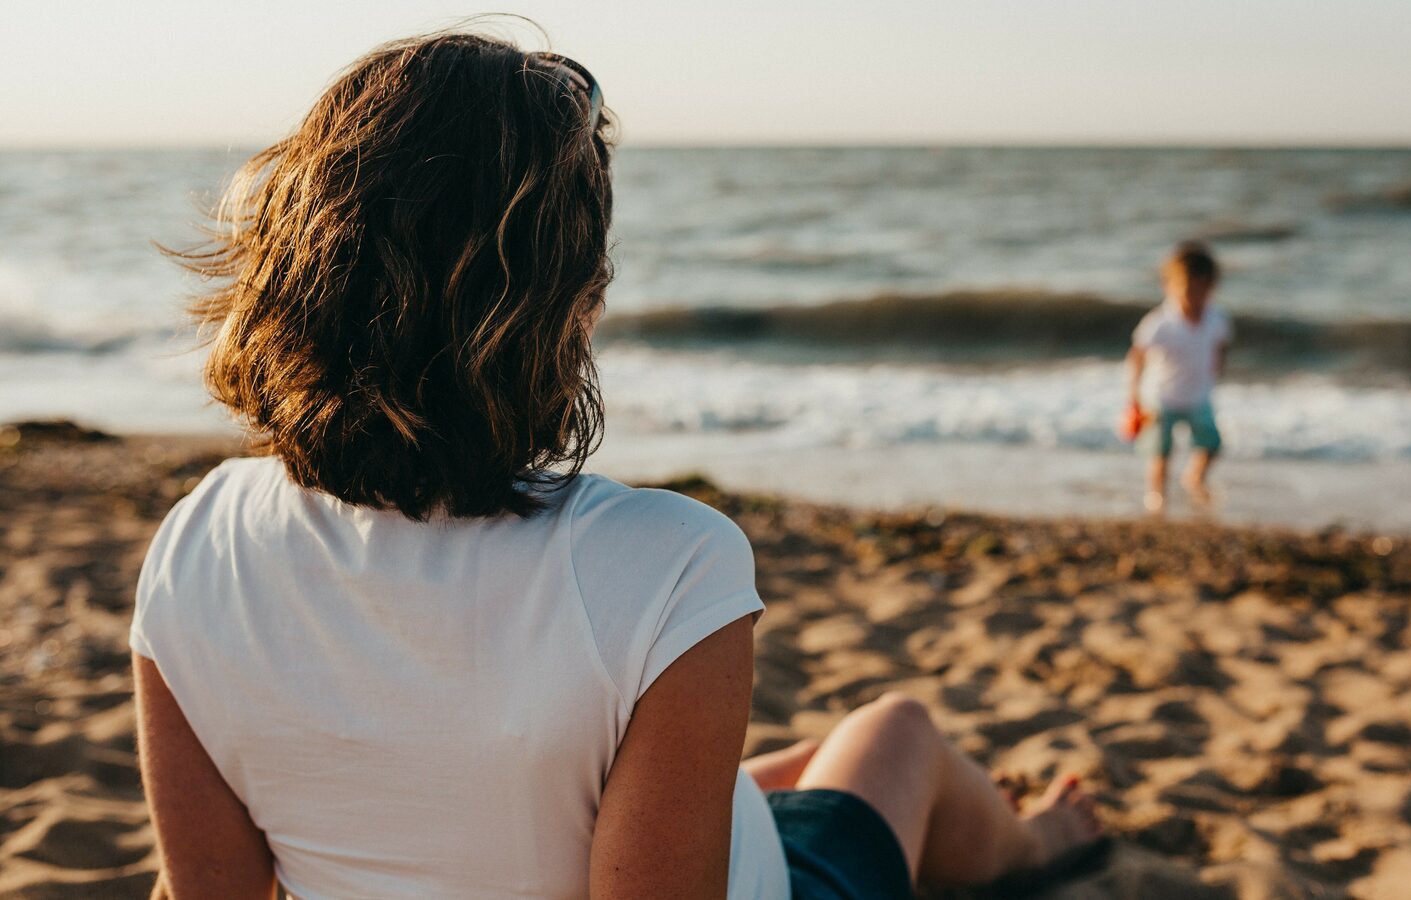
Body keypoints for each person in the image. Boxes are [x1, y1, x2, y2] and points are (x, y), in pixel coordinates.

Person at [132, 28, 1102, 899]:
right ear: (570, 306)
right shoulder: (669, 565)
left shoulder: (196, 545)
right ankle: (1044, 844)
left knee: (782, 765)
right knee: (897, 735)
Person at [1124, 242, 1231, 514]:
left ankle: (1194, 477)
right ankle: (1157, 497)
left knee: (1212, 444)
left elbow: (1220, 345)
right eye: (1188, 291)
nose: (1195, 298)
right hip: (1161, 397)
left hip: (1198, 396)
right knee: (1160, 453)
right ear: (1168, 287)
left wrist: (1215, 368)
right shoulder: (1160, 323)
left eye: (1202, 291)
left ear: (1211, 288)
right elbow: (1137, 356)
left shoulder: (1216, 318)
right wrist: (1133, 397)